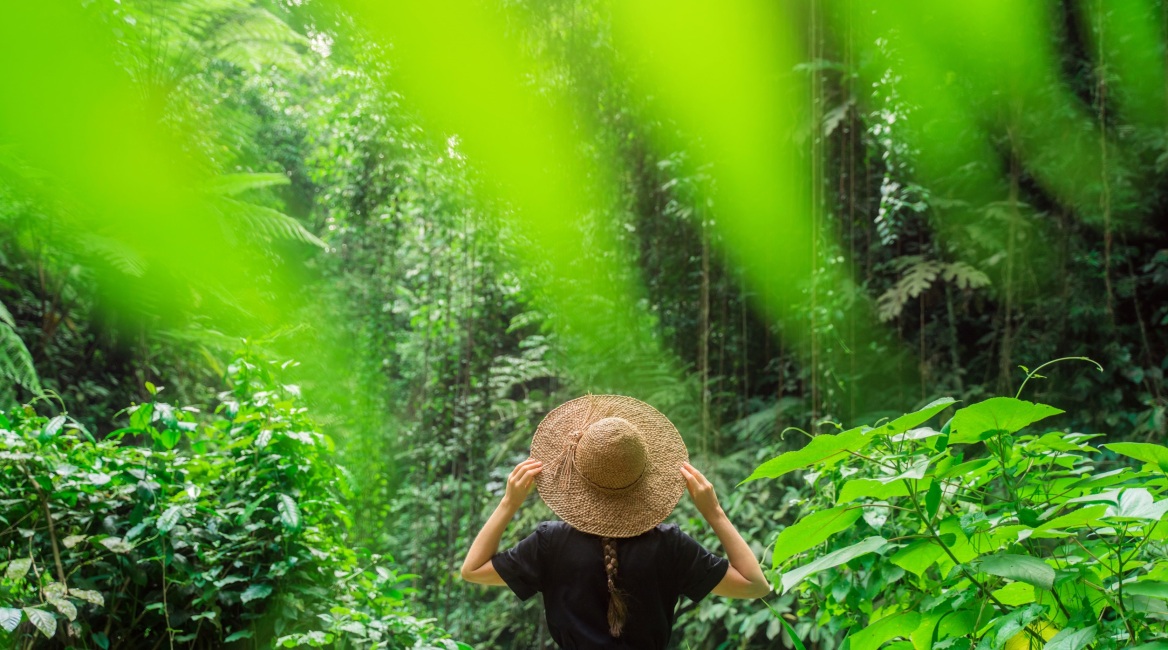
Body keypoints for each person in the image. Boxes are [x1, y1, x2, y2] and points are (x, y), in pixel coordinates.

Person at [460, 394, 770, 649]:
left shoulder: (550, 543)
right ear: (645, 476)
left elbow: (473, 570)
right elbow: (754, 585)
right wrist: (713, 511)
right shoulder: (670, 545)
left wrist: (509, 502)